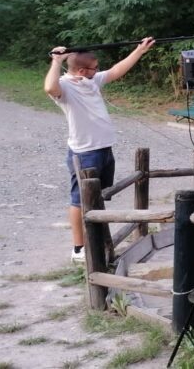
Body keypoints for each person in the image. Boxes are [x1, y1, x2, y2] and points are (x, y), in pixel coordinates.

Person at [45, 38, 156, 263]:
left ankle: (98, 241)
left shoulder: (92, 80)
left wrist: (139, 50)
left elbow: (116, 71)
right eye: (94, 68)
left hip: (104, 149)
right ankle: (78, 249)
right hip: (85, 153)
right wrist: (56, 61)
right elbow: (49, 87)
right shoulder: (64, 86)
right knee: (79, 200)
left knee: (98, 198)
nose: (98, 71)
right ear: (81, 70)